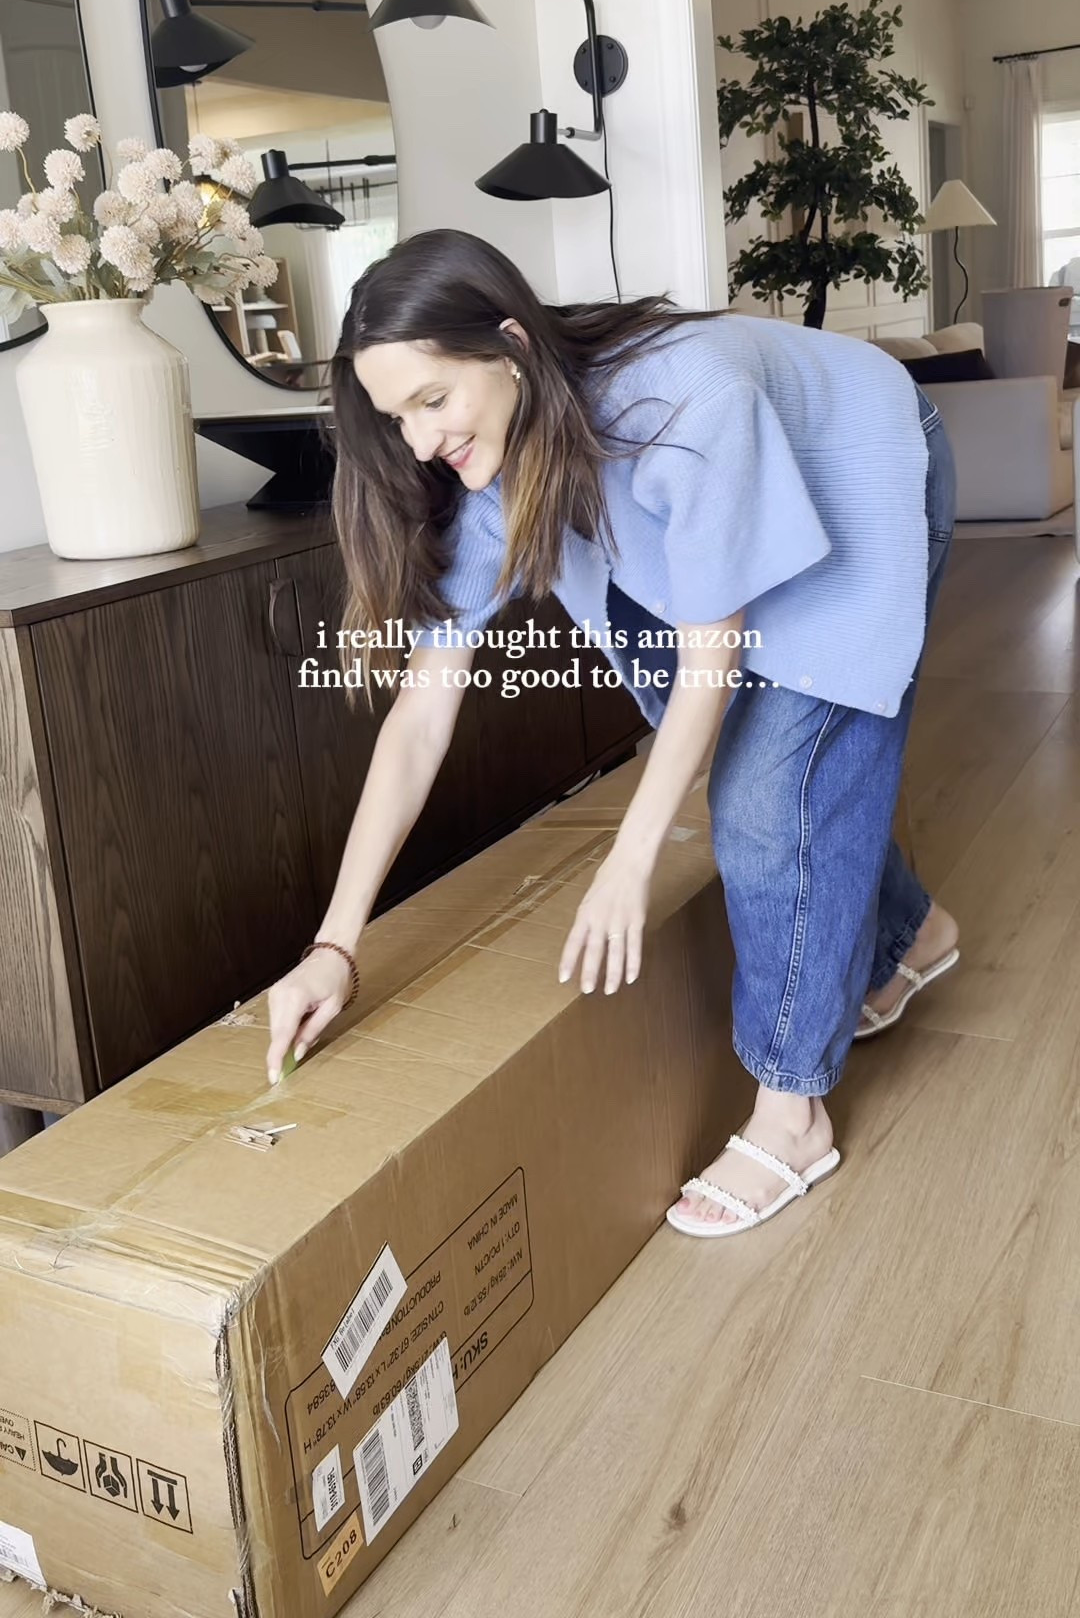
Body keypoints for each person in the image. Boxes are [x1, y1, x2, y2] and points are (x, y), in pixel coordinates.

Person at [266, 228, 959, 1242]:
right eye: (394, 416)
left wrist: (631, 860)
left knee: (769, 798)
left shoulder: (685, 402)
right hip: (740, 477)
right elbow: (421, 717)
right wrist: (336, 944)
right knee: (749, 760)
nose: (417, 441)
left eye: (431, 400)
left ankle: (791, 1114)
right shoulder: (487, 461)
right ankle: (914, 937)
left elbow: (712, 657)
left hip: (867, 458)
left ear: (509, 345)